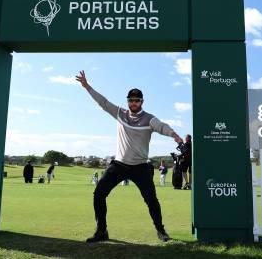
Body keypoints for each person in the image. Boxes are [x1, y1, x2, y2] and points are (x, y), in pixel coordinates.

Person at [76, 70, 182, 243]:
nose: (133, 103)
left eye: (137, 100)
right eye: (131, 100)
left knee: (151, 200)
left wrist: (174, 135)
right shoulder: (120, 113)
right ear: (128, 101)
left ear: (142, 101)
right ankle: (102, 231)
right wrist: (87, 87)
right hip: (119, 165)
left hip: (140, 167)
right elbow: (103, 102)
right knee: (98, 194)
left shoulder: (149, 119)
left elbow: (162, 126)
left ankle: (161, 231)